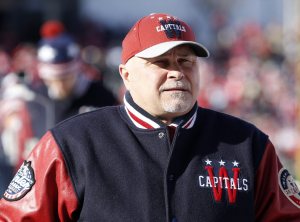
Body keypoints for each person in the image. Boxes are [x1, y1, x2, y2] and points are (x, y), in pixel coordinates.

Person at [0, 13, 299, 222]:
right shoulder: (71, 143)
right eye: (161, 62)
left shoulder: (248, 145)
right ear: (126, 75)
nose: (177, 72)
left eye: (186, 61)